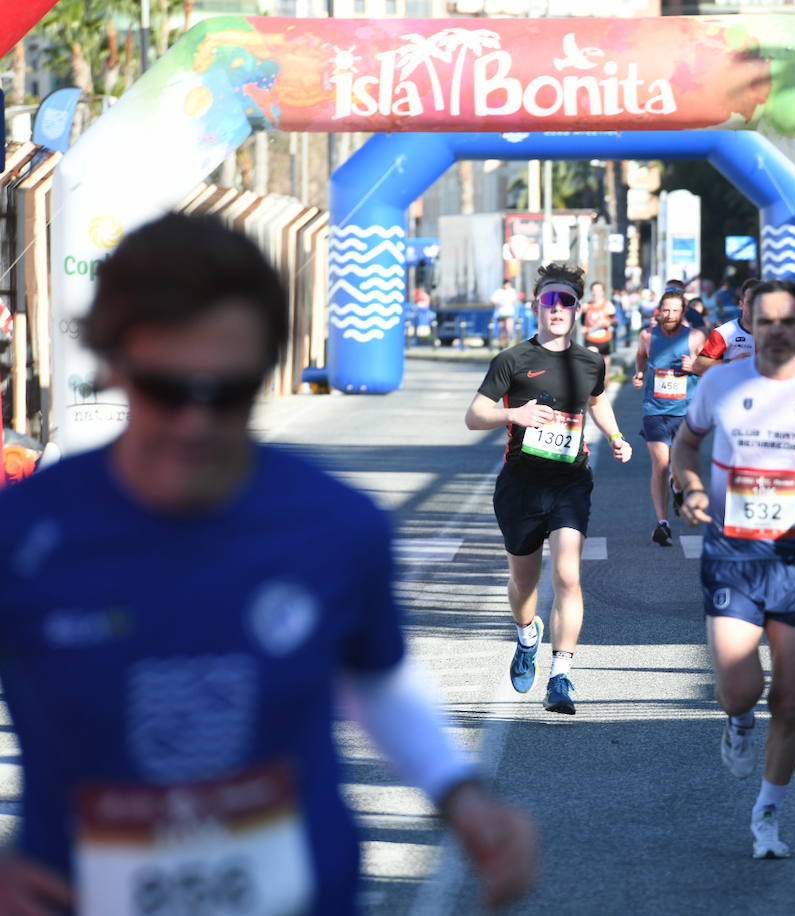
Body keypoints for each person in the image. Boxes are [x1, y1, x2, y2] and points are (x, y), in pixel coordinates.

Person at [0, 213, 536, 914]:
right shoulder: (26, 534)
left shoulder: (338, 525)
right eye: (167, 387)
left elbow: (374, 679)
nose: (195, 421)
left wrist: (460, 795)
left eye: (226, 392)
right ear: (115, 364)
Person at [671, 279, 795, 860]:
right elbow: (684, 446)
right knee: (738, 688)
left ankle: (768, 812)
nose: (777, 329)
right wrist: (693, 487)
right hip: (733, 550)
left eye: (788, 321)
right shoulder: (721, 381)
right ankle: (737, 722)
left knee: (791, 698)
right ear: (748, 325)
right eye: (766, 320)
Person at [465, 263, 632, 716]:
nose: (557, 309)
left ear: (578, 309)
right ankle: (526, 635)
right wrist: (512, 416)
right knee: (523, 582)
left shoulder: (591, 361)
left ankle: (561, 676)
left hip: (569, 482)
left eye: (567, 302)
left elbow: (598, 404)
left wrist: (616, 438)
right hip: (520, 484)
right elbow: (474, 415)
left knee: (568, 575)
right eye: (549, 301)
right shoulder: (513, 360)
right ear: (536, 305)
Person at [633, 289, 706, 546]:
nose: (670, 314)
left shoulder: (695, 336)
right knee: (660, 465)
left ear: (682, 312)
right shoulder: (647, 336)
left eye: (675, 310)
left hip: (686, 412)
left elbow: (711, 366)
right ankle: (662, 523)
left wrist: (694, 366)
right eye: (666, 310)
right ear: (659, 311)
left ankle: (678, 486)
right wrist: (640, 374)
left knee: (677, 466)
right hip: (655, 411)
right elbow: (641, 358)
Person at [693, 278, 759, 375]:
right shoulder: (725, 332)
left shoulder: (779, 332)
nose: (755, 307)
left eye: (759, 302)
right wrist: (730, 363)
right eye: (750, 303)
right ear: (741, 304)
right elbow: (698, 367)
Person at [581, 280, 619, 380]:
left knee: (605, 374)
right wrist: (584, 328)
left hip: (605, 341)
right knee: (592, 365)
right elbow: (582, 321)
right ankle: (591, 390)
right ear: (591, 292)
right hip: (591, 340)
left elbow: (615, 323)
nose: (596, 293)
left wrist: (608, 323)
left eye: (598, 290)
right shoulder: (587, 306)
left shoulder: (608, 305)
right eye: (594, 290)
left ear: (603, 292)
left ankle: (603, 389)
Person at [492, 278, 520, 349]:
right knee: (501, 328)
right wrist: (498, 303)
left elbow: (515, 300)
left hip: (509, 312)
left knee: (509, 328)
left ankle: (508, 341)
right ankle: (501, 343)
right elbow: (493, 301)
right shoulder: (498, 291)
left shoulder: (512, 291)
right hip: (500, 313)